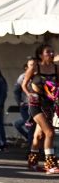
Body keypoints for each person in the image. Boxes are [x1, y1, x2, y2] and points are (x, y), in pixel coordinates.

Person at [21, 45, 58, 173]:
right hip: (36, 105)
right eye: (48, 51)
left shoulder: (56, 68)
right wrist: (29, 94)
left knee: (39, 135)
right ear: (41, 54)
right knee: (50, 133)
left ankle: (32, 162)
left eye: (52, 51)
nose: (51, 53)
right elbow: (24, 84)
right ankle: (50, 164)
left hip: (49, 105)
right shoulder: (35, 67)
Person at [13, 59, 36, 143]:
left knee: (34, 127)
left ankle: (35, 146)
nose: (33, 67)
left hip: (37, 106)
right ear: (26, 67)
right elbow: (16, 91)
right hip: (26, 106)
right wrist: (19, 102)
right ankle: (31, 147)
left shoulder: (39, 76)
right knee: (30, 126)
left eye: (34, 64)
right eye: (30, 65)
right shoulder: (22, 77)